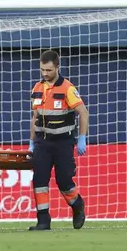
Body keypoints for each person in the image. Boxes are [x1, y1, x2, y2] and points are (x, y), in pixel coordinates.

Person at [29, 50, 88, 231]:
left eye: (48, 70)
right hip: (42, 142)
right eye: (42, 70)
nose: (45, 74)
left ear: (57, 67)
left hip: (63, 143)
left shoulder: (68, 88)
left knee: (64, 181)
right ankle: (43, 221)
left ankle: (77, 205)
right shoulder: (37, 88)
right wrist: (31, 141)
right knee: (39, 180)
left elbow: (83, 113)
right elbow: (35, 117)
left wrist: (82, 138)